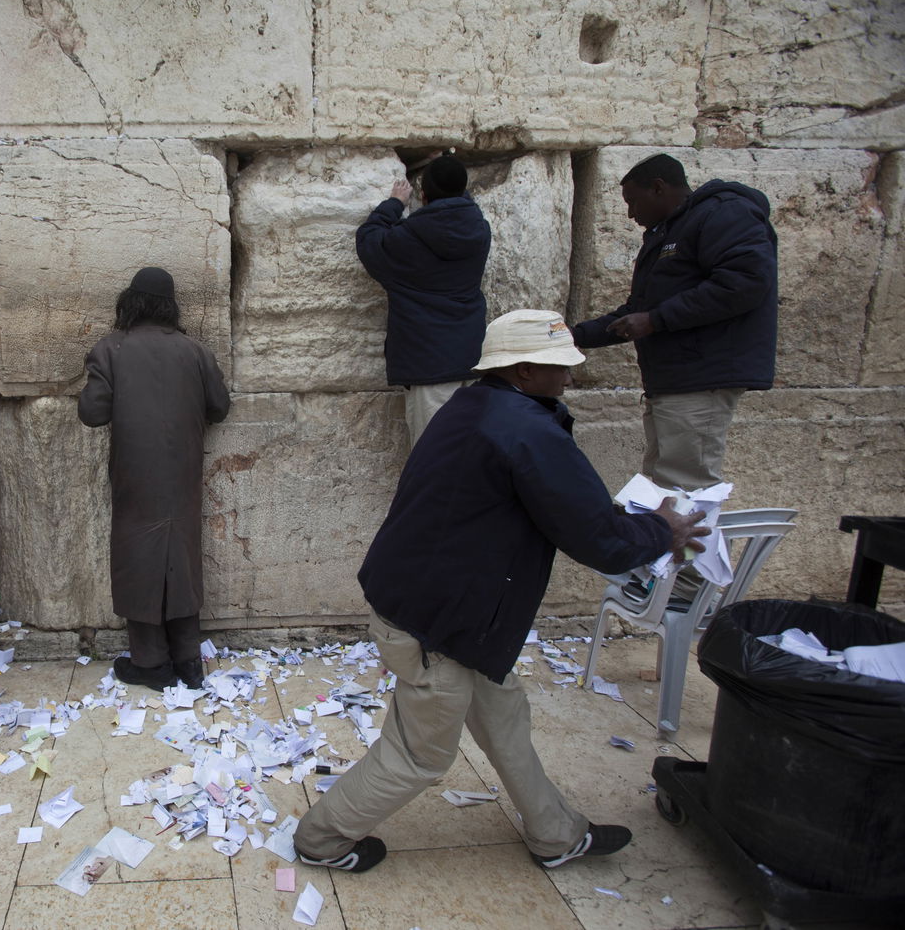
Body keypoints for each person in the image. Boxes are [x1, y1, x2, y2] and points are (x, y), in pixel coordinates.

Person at [293, 309, 710, 874]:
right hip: (439, 624)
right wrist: (663, 530)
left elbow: (565, 507)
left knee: (505, 719)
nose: (570, 376)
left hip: (446, 609)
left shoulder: (474, 405)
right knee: (419, 754)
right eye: (559, 366)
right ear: (522, 371)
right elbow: (601, 541)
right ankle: (320, 840)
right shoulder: (526, 430)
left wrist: (630, 521)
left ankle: (556, 834)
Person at [572, 153, 778, 491]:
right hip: (671, 381)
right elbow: (638, 312)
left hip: (700, 378)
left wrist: (656, 320)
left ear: (658, 188)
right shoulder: (668, 232)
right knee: (662, 486)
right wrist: (577, 335)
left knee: (686, 488)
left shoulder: (723, 213)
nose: (631, 214)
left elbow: (744, 282)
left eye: (633, 202)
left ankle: (693, 532)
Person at [78, 267, 230, 691]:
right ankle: (188, 660)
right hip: (183, 477)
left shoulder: (111, 349)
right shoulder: (196, 351)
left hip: (136, 478)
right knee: (181, 560)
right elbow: (219, 407)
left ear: (130, 302)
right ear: (170, 308)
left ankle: (150, 663)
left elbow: (92, 413)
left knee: (138, 562)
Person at [356, 154, 491, 447]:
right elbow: (459, 205)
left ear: (423, 195)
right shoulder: (480, 230)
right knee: (472, 455)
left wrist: (394, 203)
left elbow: (368, 241)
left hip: (429, 366)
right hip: (473, 358)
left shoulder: (406, 241)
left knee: (433, 457)